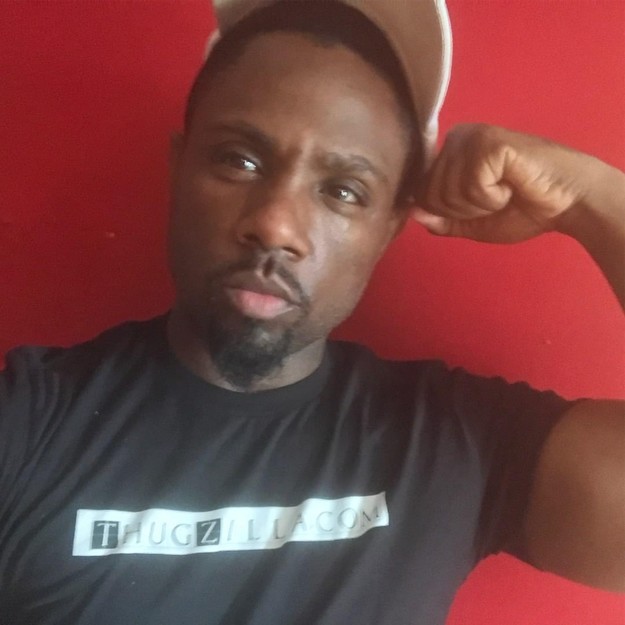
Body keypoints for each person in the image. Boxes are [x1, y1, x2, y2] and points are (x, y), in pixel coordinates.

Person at [0, 0, 623, 623]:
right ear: (178, 168)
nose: (275, 224)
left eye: (344, 191)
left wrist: (593, 200)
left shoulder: (451, 441)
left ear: (389, 229)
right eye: (239, 160)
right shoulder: (30, 423)